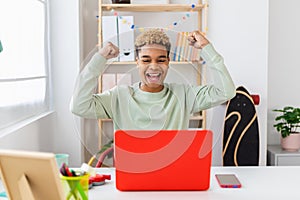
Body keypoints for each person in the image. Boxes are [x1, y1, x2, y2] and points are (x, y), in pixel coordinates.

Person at [70, 29, 235, 136]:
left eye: (161, 60)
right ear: (137, 62)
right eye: (146, 60)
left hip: (173, 175)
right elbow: (79, 106)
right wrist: (99, 59)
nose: (154, 66)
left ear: (168, 62)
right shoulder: (119, 96)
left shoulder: (184, 95)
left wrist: (206, 48)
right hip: (132, 177)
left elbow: (226, 92)